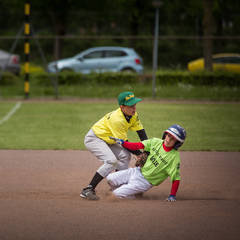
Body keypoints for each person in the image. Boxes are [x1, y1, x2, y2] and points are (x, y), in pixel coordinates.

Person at [80, 91, 148, 200]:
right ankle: (88, 189)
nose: (134, 108)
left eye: (134, 105)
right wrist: (140, 154)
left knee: (125, 156)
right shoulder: (117, 119)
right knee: (111, 161)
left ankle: (117, 186)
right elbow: (124, 143)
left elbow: (141, 132)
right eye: (130, 106)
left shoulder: (133, 115)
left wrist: (147, 150)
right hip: (95, 138)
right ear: (122, 107)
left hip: (110, 140)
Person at [106, 124, 186, 201]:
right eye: (168, 136)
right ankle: (131, 191)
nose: (168, 140)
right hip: (136, 171)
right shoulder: (155, 142)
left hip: (145, 182)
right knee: (109, 178)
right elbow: (137, 145)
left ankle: (132, 195)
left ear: (177, 143)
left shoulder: (174, 158)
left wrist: (172, 195)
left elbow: (176, 179)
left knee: (116, 194)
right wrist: (123, 143)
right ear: (165, 135)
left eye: (173, 139)